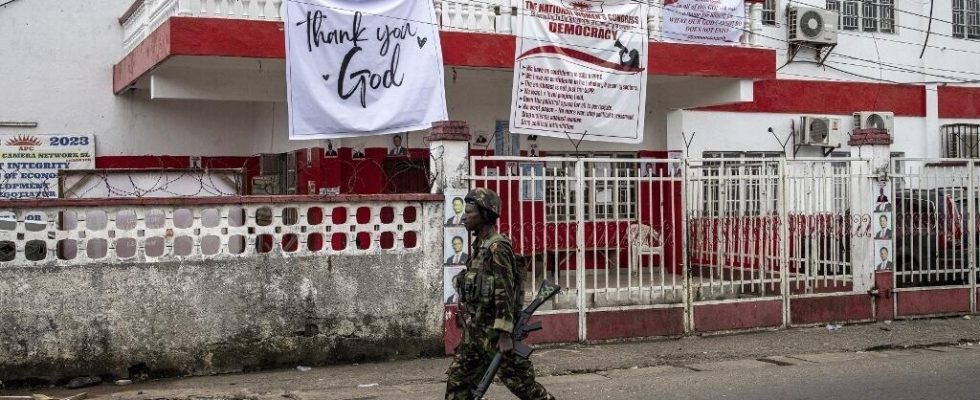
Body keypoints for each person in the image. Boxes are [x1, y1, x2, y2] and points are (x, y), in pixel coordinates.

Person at [445, 188, 554, 400]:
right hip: (475, 335)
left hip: (495, 337)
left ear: (485, 214)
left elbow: (505, 290)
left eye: (469, 211)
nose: (464, 216)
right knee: (458, 385)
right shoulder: (480, 246)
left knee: (525, 388)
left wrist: (505, 335)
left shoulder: (498, 248)